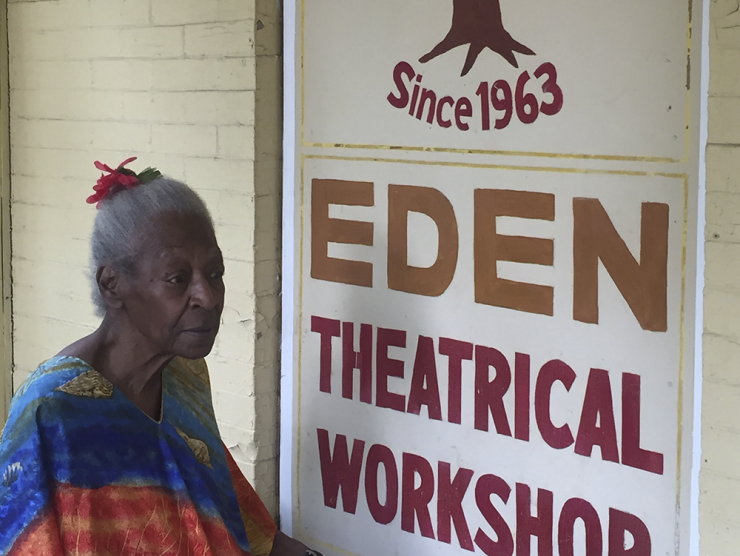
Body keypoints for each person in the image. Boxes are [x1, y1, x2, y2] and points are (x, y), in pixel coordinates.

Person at [0, 159, 321, 556]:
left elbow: (225, 511)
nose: (208, 297)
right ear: (112, 284)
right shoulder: (52, 412)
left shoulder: (185, 374)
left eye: (215, 273)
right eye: (178, 278)